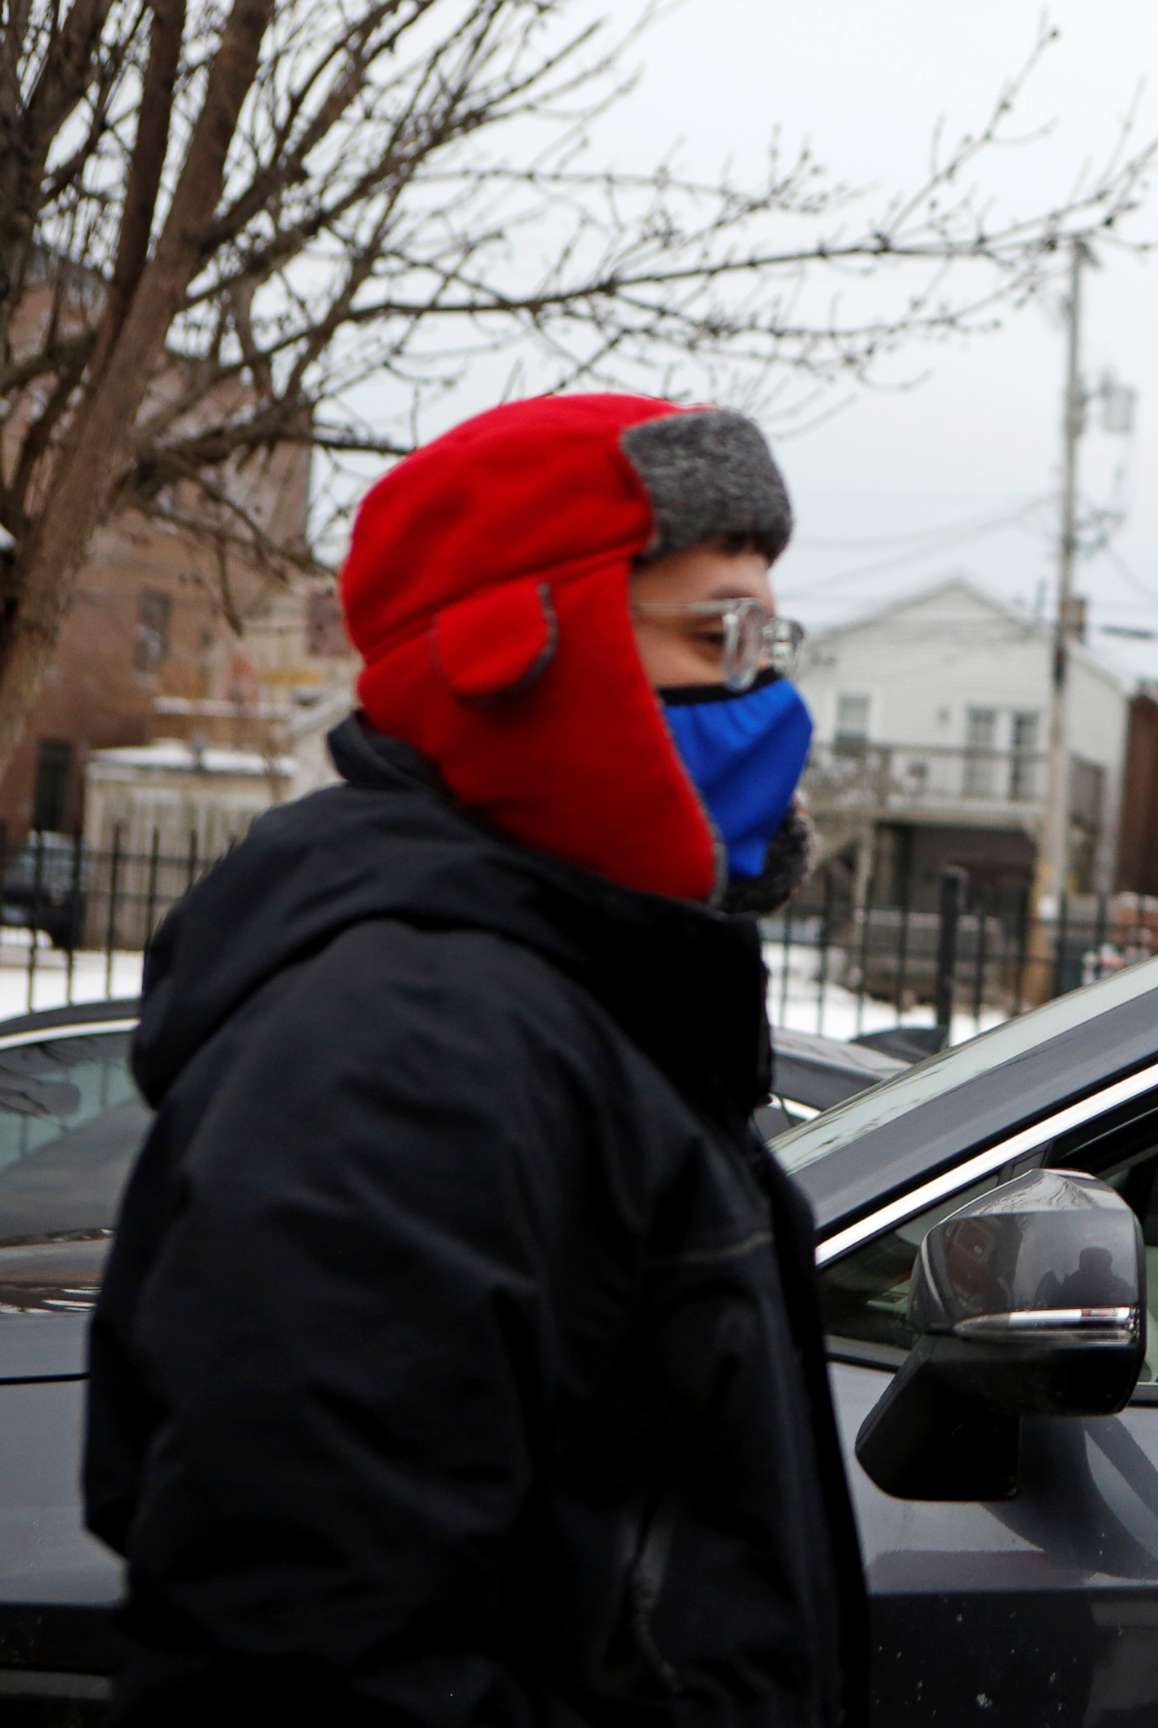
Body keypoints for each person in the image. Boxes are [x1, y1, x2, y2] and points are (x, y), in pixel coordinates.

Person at [82, 395, 866, 1722]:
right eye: (714, 635)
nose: (761, 693)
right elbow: (302, 1657)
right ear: (521, 658)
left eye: (769, 638)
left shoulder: (575, 1005)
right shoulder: (405, 1054)